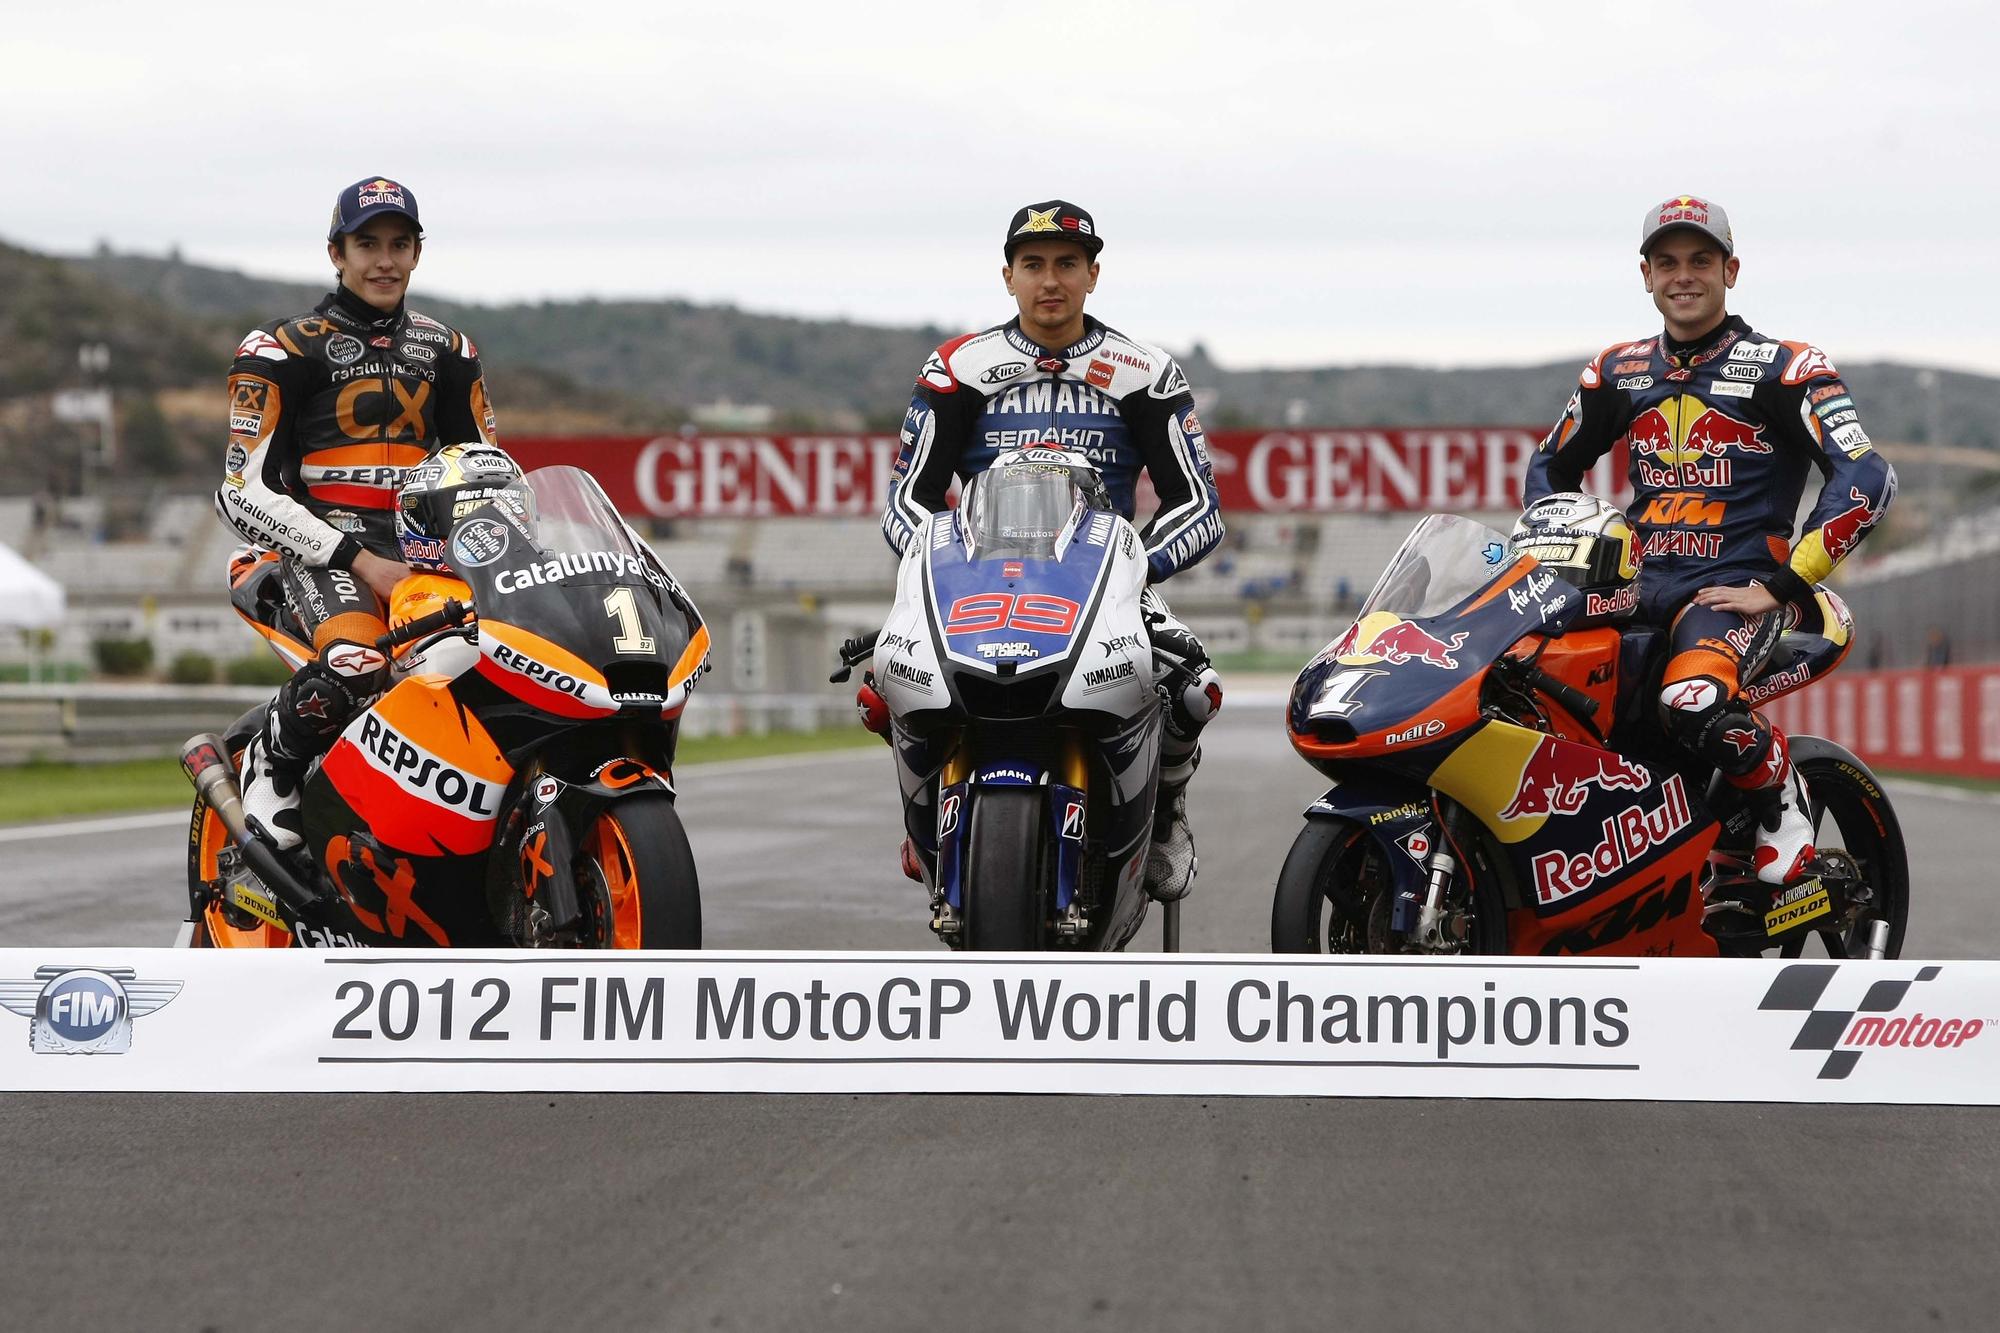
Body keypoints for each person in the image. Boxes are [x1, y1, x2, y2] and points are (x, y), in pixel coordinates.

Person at [1525, 193, 1897, 886]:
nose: (1683, 275)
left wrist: (1784, 585)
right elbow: (1550, 466)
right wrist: (1558, 552)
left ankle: (1781, 799)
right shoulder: (1616, 370)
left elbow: (1867, 477)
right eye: (1667, 262)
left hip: (1734, 595)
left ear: (1731, 269)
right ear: (1645, 275)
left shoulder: (1787, 366)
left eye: (1701, 260)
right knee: (1528, 678)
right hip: (1633, 588)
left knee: (1690, 700)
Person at [880, 200, 1225, 901]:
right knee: (890, 671)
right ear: (1007, 275)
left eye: (1067, 264)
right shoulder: (956, 369)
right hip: (976, 577)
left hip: (1105, 584)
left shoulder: (1144, 372)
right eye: (1033, 265)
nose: (1050, 281)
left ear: (1093, 274)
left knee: (1192, 685)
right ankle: (923, 824)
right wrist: (934, 569)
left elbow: (1199, 504)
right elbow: (907, 497)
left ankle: (1167, 818)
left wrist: (1131, 570)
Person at [217, 176, 502, 851]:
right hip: (322, 549)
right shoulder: (280, 349)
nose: (384, 260)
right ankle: (273, 761)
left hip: (423, 555)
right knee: (353, 661)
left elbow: (488, 468)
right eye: (366, 243)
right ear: (335, 252)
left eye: (399, 244)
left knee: (498, 661)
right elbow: (239, 490)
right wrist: (359, 560)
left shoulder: (451, 350)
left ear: (417, 253)